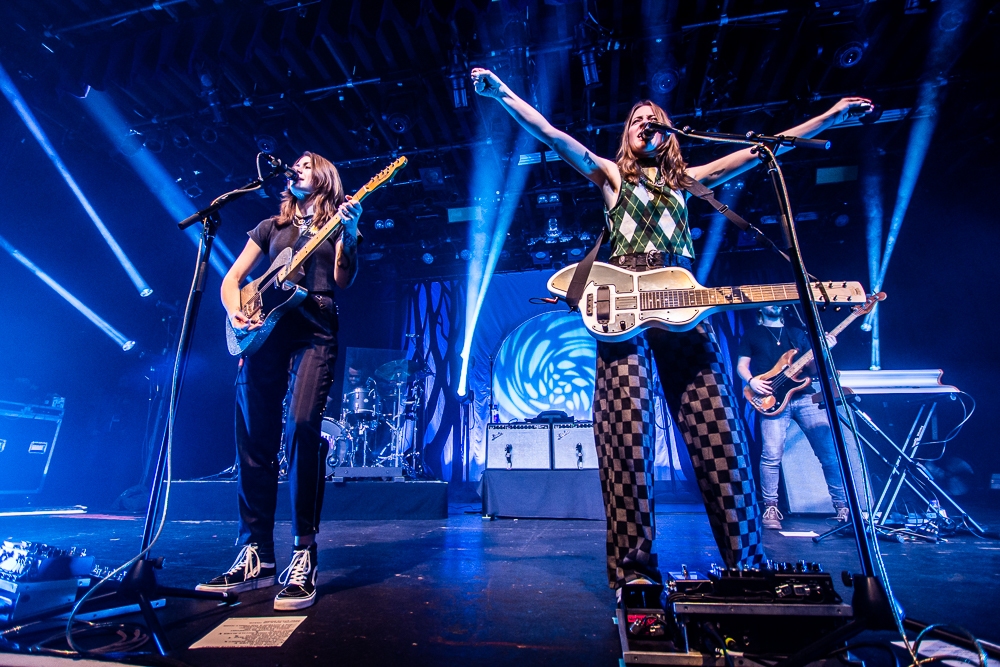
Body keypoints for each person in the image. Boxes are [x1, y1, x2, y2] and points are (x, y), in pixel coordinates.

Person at [471, 66, 871, 593]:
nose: (643, 122)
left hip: (683, 304)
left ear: (668, 130)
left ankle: (747, 562)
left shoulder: (686, 181)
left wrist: (830, 116)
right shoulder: (614, 177)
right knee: (625, 438)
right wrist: (501, 93)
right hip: (624, 307)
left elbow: (760, 151)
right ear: (627, 135)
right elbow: (551, 134)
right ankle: (634, 574)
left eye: (652, 118)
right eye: (635, 119)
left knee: (718, 432)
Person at [196, 151, 362, 611]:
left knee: (304, 427)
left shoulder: (342, 219)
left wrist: (349, 231)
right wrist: (234, 309)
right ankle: (256, 556)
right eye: (295, 166)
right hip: (264, 329)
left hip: (314, 327)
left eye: (306, 164)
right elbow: (233, 279)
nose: (297, 168)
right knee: (253, 437)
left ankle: (304, 553)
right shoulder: (271, 226)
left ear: (325, 174)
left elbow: (343, 279)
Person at [737, 306, 849, 529]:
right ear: (761, 308)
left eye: (778, 302)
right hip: (770, 397)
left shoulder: (797, 333)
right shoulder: (752, 334)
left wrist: (825, 350)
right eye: (769, 301)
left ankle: (843, 507)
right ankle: (770, 508)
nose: (774, 304)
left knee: (828, 452)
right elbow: (742, 365)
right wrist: (751, 381)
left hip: (804, 397)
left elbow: (814, 370)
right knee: (771, 455)